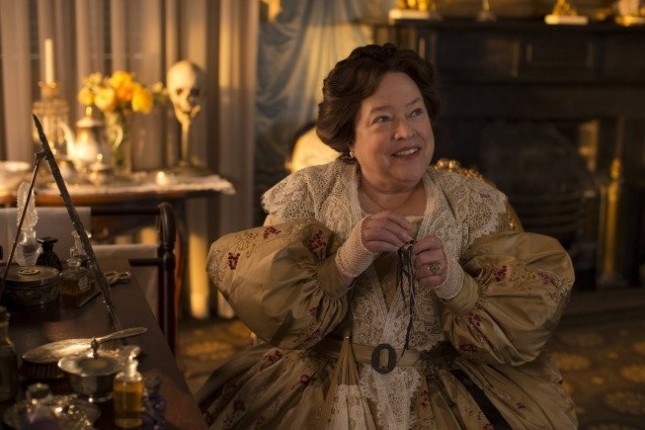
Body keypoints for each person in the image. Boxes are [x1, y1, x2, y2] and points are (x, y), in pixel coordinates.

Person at [196, 43, 577, 429]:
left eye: (416, 112)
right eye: (382, 119)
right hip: (321, 385)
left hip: (447, 392)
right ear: (349, 136)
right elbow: (269, 306)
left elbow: (519, 321)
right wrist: (343, 263)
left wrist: (455, 284)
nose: (406, 131)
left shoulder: (472, 203)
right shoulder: (308, 195)